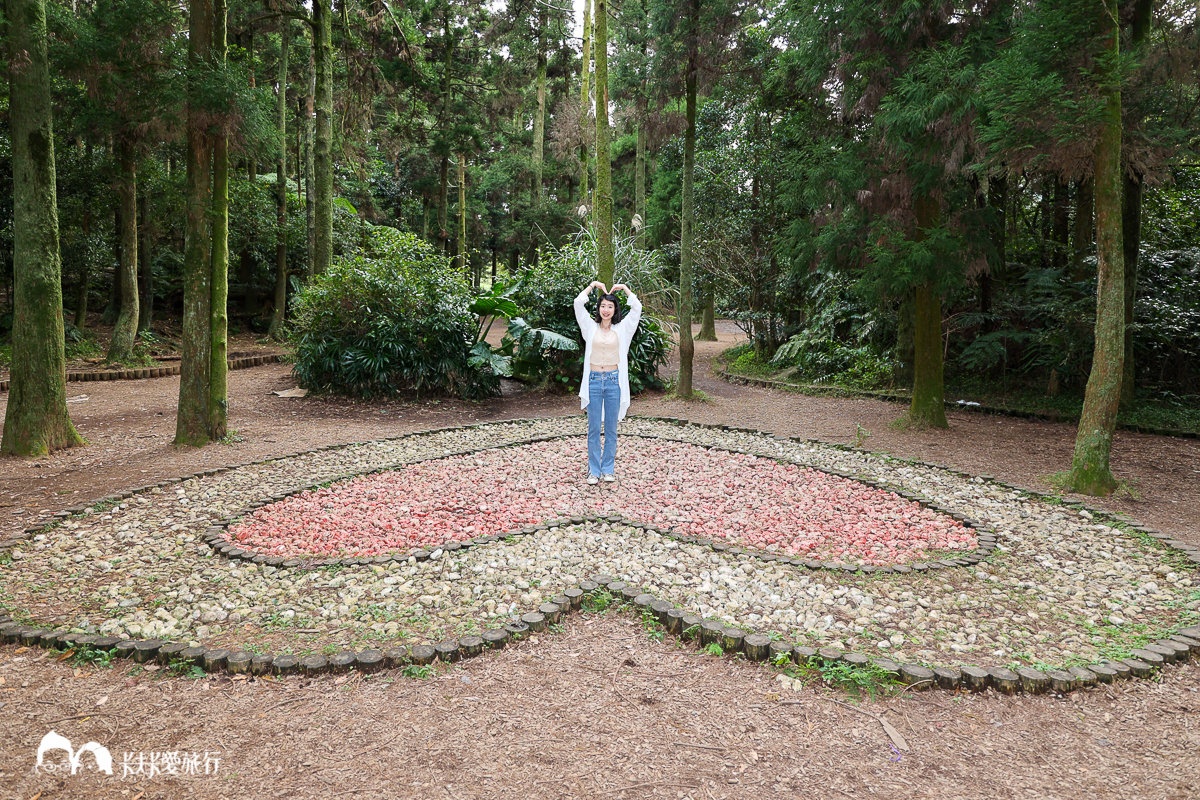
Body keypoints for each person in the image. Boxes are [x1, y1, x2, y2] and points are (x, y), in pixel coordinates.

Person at [574, 279, 642, 484]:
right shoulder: (590, 327)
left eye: (610, 306)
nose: (606, 310)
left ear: (615, 309)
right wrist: (593, 286)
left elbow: (637, 308)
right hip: (594, 380)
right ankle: (593, 471)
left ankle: (608, 468)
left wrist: (625, 289)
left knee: (611, 428)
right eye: (603, 306)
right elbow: (578, 303)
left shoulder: (623, 329)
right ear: (598, 308)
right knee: (594, 428)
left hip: (613, 381)